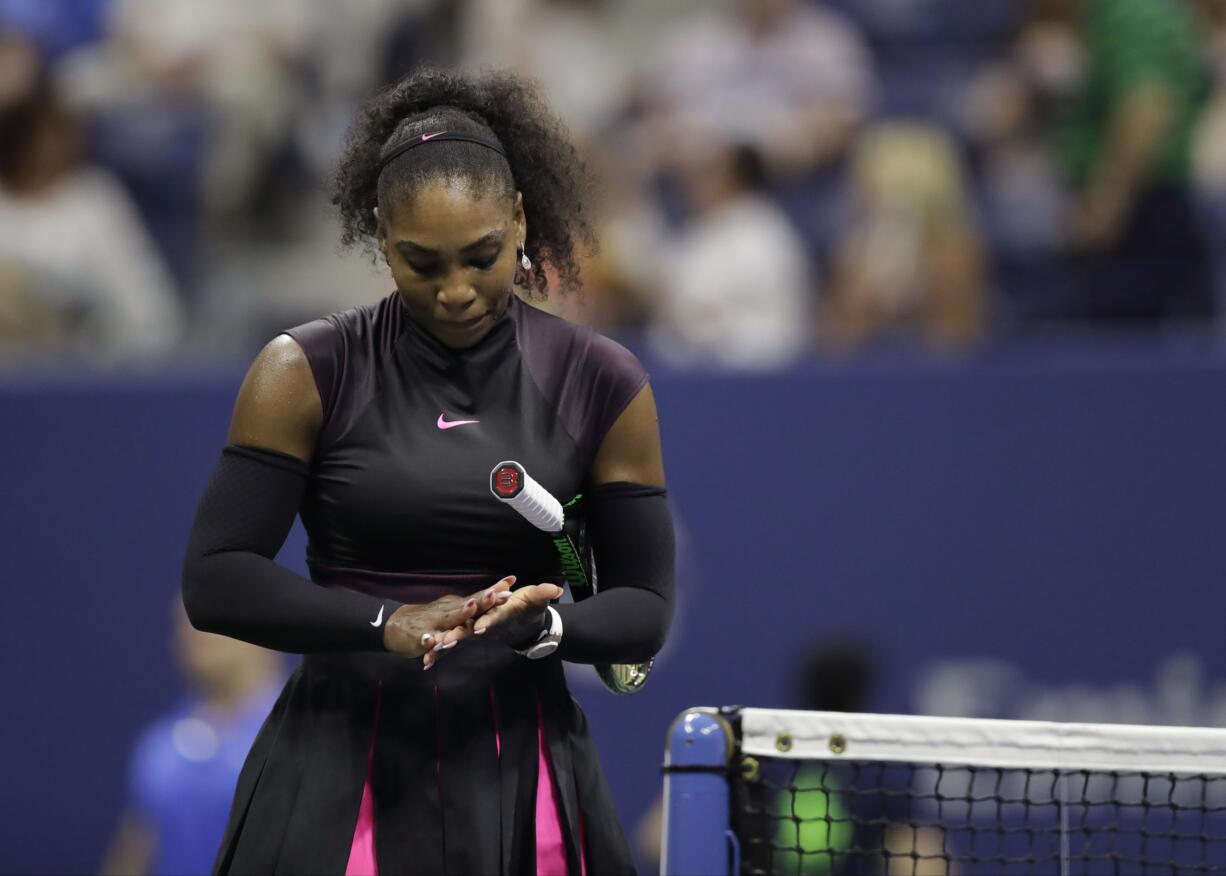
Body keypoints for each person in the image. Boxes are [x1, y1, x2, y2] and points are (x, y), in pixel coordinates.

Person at [180, 67, 674, 876]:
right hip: (333, 769)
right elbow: (215, 579)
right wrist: (385, 623)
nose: (455, 292)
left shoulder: (603, 380)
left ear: (520, 220)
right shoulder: (301, 370)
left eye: (482, 258)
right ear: (379, 235)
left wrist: (546, 626)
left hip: (526, 775)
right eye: (422, 263)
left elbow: (644, 607)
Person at [100, 605, 284, 876]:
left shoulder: (312, 736)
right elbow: (132, 857)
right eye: (184, 622)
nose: (194, 631)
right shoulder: (158, 748)